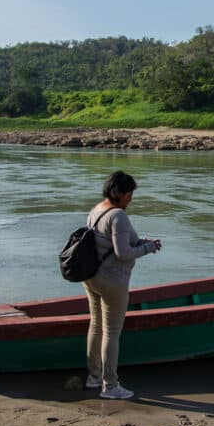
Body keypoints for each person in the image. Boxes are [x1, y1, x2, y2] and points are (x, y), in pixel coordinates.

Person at [83, 170, 161, 400]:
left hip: (92, 277)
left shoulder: (97, 209)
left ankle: (94, 377)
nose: (131, 198)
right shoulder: (119, 216)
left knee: (96, 326)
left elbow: (111, 241)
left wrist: (142, 242)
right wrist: (148, 248)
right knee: (112, 333)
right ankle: (111, 386)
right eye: (129, 193)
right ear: (118, 192)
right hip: (112, 281)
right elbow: (123, 253)